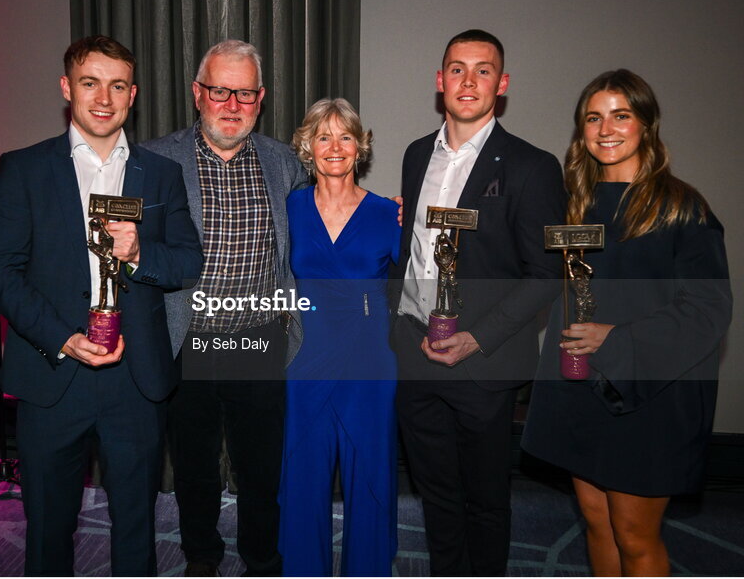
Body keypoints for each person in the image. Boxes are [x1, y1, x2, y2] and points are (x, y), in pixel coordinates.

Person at [0, 35, 202, 576]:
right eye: (90, 82)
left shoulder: (160, 173)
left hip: (136, 376)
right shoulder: (24, 168)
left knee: (136, 525)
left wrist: (137, 254)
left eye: (117, 85)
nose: (103, 97)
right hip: (53, 372)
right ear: (67, 88)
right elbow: (2, 275)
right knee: (48, 525)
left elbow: (186, 261)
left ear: (132, 95)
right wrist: (62, 337)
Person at [522, 69, 731, 576]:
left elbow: (708, 310)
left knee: (636, 535)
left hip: (649, 393)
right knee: (598, 525)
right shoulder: (578, 203)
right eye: (593, 118)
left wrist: (617, 339)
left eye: (621, 115)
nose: (606, 128)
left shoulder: (682, 207)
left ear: (646, 125)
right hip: (582, 386)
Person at [389, 29, 565, 576]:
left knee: (485, 501)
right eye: (457, 69)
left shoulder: (533, 167)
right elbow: (413, 250)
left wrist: (478, 337)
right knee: (435, 494)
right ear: (440, 82)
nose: (469, 80)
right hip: (415, 350)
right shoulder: (417, 154)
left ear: (502, 84)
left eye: (483, 70)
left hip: (483, 362)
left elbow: (546, 273)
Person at [142, 40, 308, 576]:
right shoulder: (155, 159)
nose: (232, 104)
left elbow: (322, 219)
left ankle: (262, 561)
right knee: (194, 468)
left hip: (258, 337)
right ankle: (202, 558)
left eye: (245, 93)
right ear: (198, 93)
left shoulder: (285, 162)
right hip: (185, 339)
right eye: (220, 90)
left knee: (261, 469)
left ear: (261, 98)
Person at [278, 98, 399, 576]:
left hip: (369, 362)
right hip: (305, 359)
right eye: (323, 136)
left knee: (369, 475)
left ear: (360, 146)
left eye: (345, 136)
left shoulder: (388, 213)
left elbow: (420, 284)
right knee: (304, 476)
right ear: (307, 146)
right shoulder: (289, 206)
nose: (334, 146)